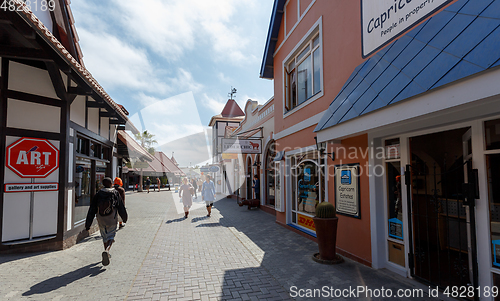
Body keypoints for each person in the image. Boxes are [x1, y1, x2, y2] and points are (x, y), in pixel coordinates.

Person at [85, 177, 127, 266]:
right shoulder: (115, 193)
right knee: (111, 236)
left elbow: (92, 209)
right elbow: (121, 206)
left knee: (104, 235)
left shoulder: (98, 194)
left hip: (101, 218)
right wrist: (124, 218)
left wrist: (88, 224)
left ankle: (106, 252)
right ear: (111, 184)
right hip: (112, 218)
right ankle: (107, 250)